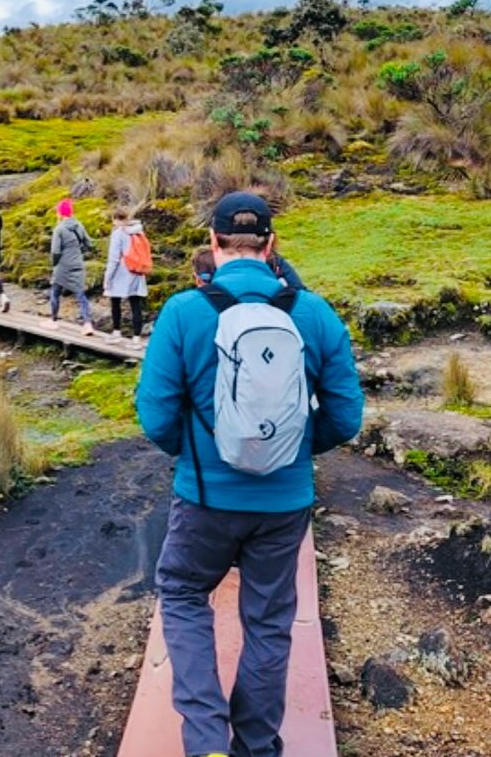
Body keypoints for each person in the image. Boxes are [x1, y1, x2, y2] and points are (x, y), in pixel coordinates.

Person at [135, 191, 364, 757]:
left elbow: (156, 415)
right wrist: (297, 450)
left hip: (205, 498)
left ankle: (207, 738)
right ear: (272, 243)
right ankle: (257, 746)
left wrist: (193, 459)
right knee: (268, 620)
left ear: (213, 244)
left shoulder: (184, 313)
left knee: (185, 594)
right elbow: (346, 417)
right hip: (284, 503)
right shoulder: (313, 314)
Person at [103, 208, 148, 345]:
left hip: (121, 273)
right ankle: (136, 338)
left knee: (115, 302)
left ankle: (116, 332)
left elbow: (114, 259)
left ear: (115, 219)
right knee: (135, 304)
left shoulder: (118, 234)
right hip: (136, 270)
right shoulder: (138, 231)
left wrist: (107, 278)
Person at [49, 198, 94, 335]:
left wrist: (54, 264)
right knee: (80, 294)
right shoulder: (79, 225)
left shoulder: (59, 229)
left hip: (63, 265)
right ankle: (87, 324)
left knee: (55, 292)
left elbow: (55, 251)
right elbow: (89, 244)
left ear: (60, 213)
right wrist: (79, 252)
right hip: (77, 263)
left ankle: (53, 320)